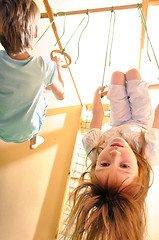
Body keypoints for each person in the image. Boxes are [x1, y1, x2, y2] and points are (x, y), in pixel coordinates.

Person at [63, 69, 159, 240]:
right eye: (124, 166)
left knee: (116, 76)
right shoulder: (150, 153)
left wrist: (96, 97)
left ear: (95, 166)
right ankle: (133, 84)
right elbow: (158, 119)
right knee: (133, 74)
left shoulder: (95, 149)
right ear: (139, 172)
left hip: (118, 121)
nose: (114, 154)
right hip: (142, 121)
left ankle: (121, 85)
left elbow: (97, 117)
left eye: (104, 164)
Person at [0, 0, 65, 149]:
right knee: (41, 102)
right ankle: (34, 141)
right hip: (27, 131)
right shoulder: (44, 66)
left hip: (2, 128)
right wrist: (58, 66)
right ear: (35, 32)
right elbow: (61, 95)